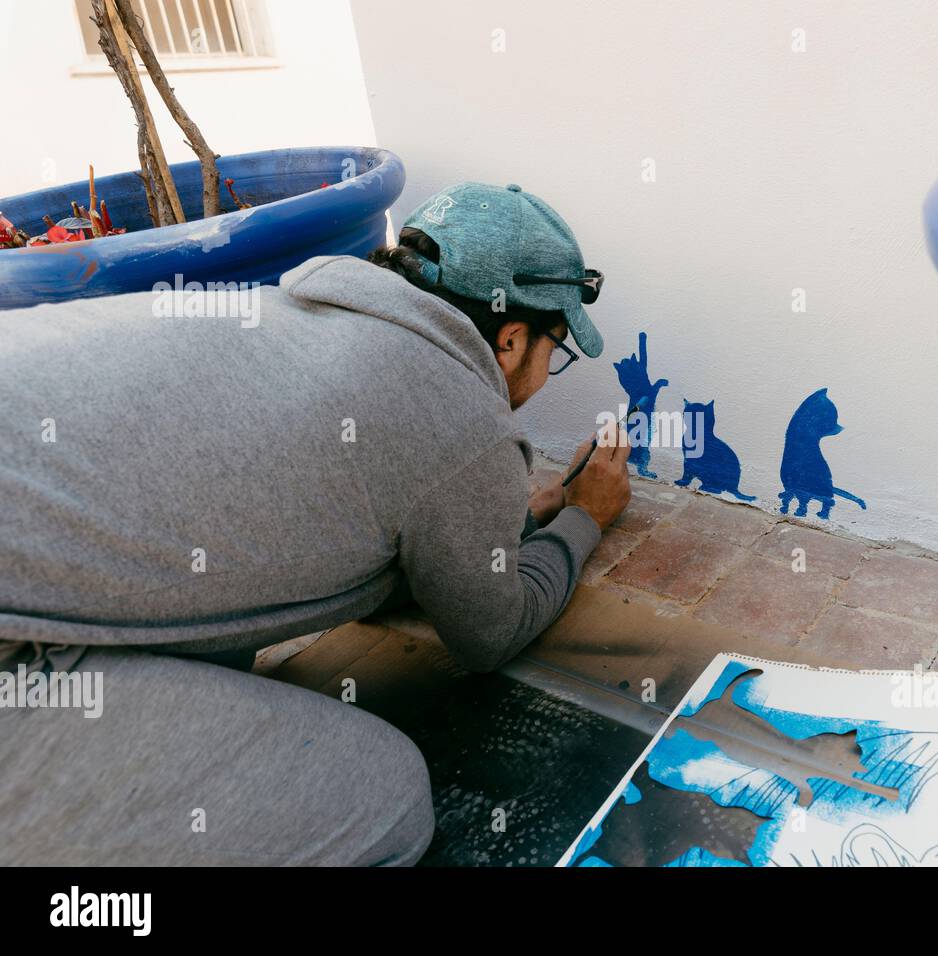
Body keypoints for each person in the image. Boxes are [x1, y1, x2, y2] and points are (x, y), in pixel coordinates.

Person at [0, 181, 631, 864]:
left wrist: (488, 520)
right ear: (511, 340)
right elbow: (491, 631)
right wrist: (585, 519)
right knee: (383, 796)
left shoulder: (287, 311)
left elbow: (372, 498)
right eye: (554, 352)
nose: (546, 371)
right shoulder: (458, 413)